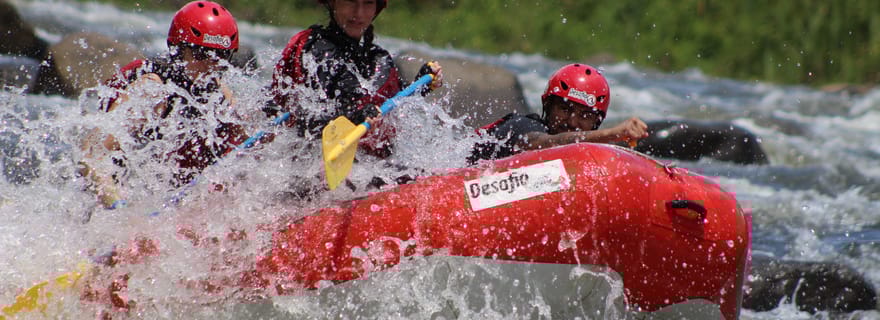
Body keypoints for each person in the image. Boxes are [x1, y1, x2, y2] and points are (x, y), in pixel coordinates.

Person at [79, 0, 247, 209]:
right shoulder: (152, 91)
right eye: (200, 53)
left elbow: (249, 149)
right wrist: (117, 207)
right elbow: (91, 154)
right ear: (178, 50)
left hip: (173, 201)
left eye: (219, 55)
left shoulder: (219, 92)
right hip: (116, 199)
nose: (210, 65)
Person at [270, 0, 443, 159]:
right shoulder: (318, 51)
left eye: (368, 3)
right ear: (333, 2)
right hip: (314, 164)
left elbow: (393, 105)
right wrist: (356, 115)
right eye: (351, 1)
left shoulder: (377, 58)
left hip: (373, 166)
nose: (359, 13)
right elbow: (319, 115)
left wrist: (421, 85)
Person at [467, 63, 648, 164]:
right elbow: (543, 144)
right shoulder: (522, 127)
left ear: (597, 121)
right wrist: (611, 134)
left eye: (585, 115)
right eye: (565, 109)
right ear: (548, 106)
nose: (572, 121)